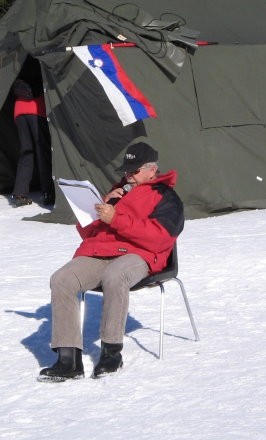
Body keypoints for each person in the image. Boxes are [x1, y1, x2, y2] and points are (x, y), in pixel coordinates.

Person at [38, 142, 184, 382]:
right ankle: (68, 359)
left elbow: (160, 238)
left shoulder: (166, 197)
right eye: (126, 171)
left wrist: (116, 218)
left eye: (134, 172)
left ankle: (111, 353)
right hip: (101, 253)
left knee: (115, 276)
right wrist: (99, 209)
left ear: (151, 170)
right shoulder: (119, 193)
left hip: (140, 255)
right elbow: (88, 234)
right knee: (61, 279)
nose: (129, 177)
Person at [11, 76, 54, 207]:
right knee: (42, 152)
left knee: (26, 152)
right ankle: (48, 193)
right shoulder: (40, 64)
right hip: (36, 110)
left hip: (19, 110)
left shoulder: (20, 65)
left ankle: (20, 194)